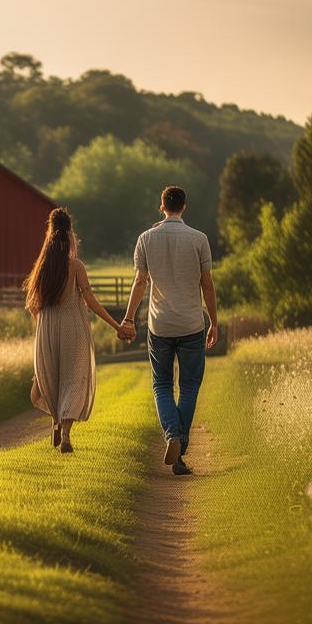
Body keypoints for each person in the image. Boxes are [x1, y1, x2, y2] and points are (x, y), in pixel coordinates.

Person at [119, 186, 218, 475]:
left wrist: (128, 318)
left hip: (159, 325)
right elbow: (207, 285)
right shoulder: (199, 239)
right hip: (191, 324)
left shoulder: (146, 239)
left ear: (162, 206)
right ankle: (180, 445)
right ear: (183, 207)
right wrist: (214, 321)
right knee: (188, 386)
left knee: (162, 385)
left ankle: (172, 436)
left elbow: (140, 282)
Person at [23, 208, 130, 453]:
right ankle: (66, 434)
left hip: (47, 327)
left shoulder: (41, 268)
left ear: (49, 232)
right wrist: (117, 326)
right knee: (73, 377)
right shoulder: (75, 266)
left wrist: (41, 332)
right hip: (72, 325)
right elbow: (90, 300)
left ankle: (56, 423)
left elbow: (32, 306)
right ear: (70, 233)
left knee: (53, 375)